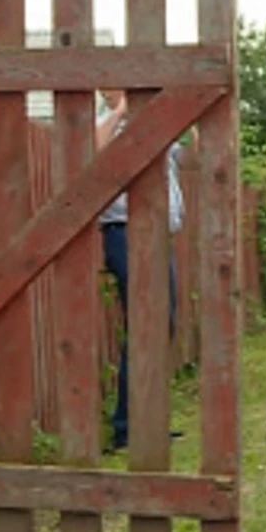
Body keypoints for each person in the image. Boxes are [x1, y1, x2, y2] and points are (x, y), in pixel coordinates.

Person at [96, 89, 185, 454]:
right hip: (126, 232)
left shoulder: (153, 124)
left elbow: (191, 151)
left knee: (160, 323)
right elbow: (93, 153)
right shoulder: (105, 123)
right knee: (144, 323)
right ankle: (127, 428)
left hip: (156, 233)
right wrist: (118, 112)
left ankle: (144, 421)